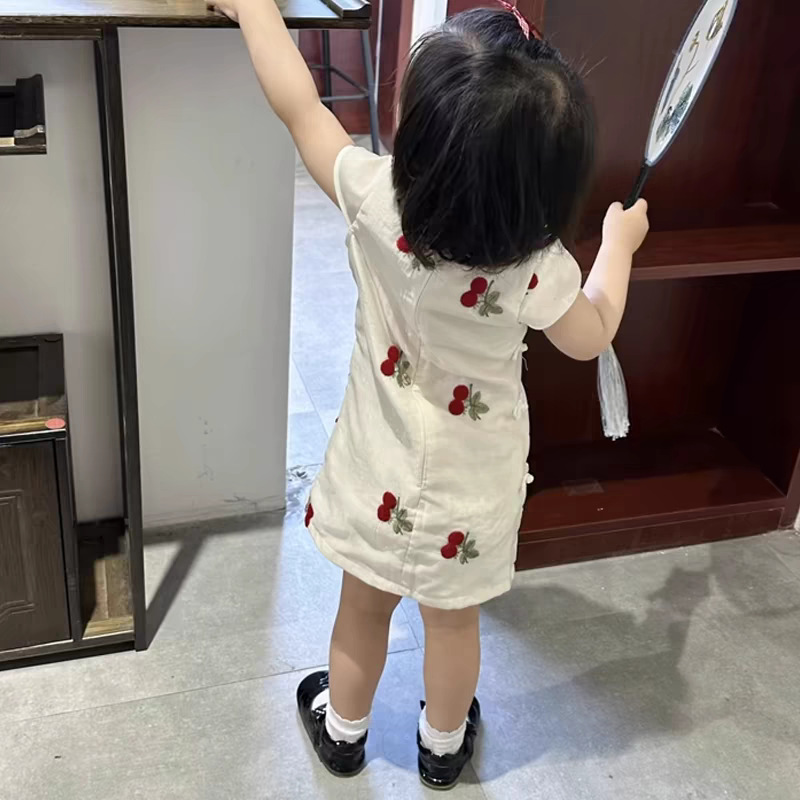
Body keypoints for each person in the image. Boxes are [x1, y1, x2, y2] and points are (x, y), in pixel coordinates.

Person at [207, 0, 649, 790]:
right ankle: (443, 750)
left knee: (362, 609)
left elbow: (299, 105)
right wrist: (618, 246)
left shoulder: (375, 198)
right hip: (471, 492)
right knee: (452, 623)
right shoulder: (538, 267)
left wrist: (251, 9)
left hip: (373, 473)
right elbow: (593, 333)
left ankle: (343, 734)